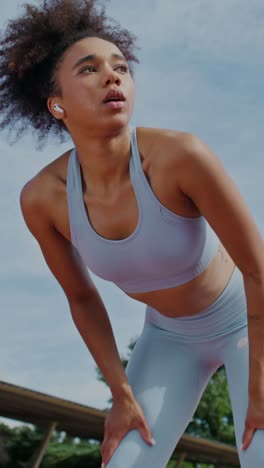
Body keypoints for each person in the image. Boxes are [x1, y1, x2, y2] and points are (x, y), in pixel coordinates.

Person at [1, 0, 264, 466]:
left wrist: (259, 382)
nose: (112, 76)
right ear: (56, 103)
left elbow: (257, 269)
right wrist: (122, 395)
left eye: (121, 66)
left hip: (248, 320)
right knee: (124, 461)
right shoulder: (42, 199)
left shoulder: (180, 156)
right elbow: (81, 299)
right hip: (168, 340)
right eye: (89, 69)